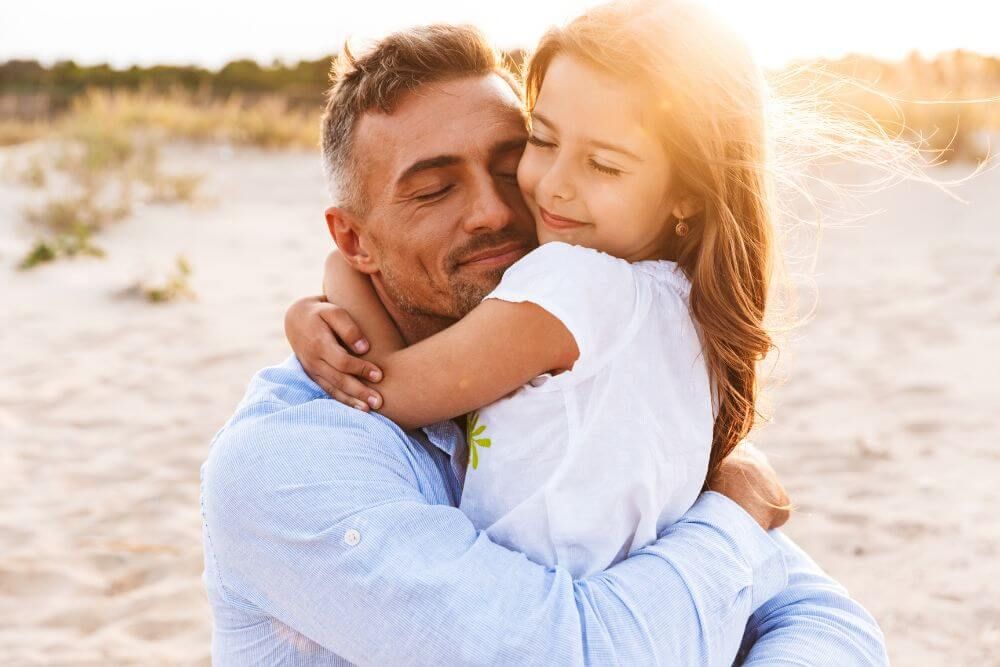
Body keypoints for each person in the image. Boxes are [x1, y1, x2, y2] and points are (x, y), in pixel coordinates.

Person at [201, 20, 889, 666]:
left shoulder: (592, 366)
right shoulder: (287, 462)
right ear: (355, 241)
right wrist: (735, 518)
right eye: (435, 190)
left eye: (509, 163)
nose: (499, 210)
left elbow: (829, 623)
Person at [287, 0, 777, 580]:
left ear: (689, 190)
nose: (552, 186)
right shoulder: (683, 303)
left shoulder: (572, 283)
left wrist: (339, 277)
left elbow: (384, 390)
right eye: (541, 142)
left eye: (605, 165)